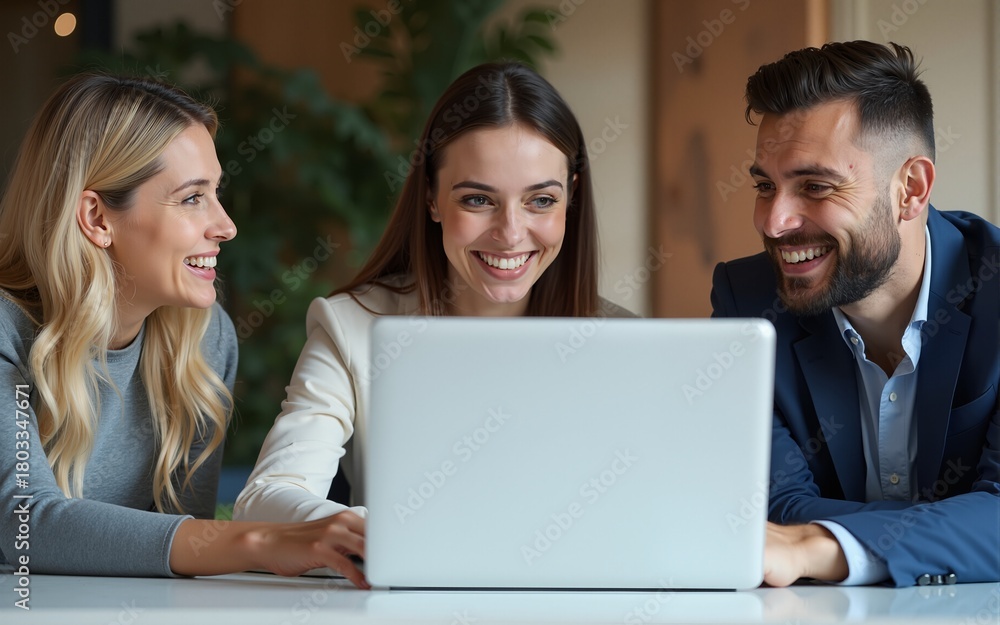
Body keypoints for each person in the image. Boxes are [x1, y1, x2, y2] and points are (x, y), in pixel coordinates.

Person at [0, 74, 367, 588]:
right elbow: (22, 523)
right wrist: (261, 541)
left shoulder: (201, 337)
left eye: (216, 192)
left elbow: (177, 558)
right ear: (96, 217)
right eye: (193, 198)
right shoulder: (7, 330)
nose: (225, 225)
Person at [235, 62, 633, 531]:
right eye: (478, 200)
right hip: (407, 604)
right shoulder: (355, 327)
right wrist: (390, 535)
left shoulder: (627, 343)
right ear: (431, 198)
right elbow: (266, 500)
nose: (510, 234)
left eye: (540, 200)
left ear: (571, 196)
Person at [711, 41, 999, 587]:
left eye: (814, 186)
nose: (773, 222)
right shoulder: (746, 299)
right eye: (765, 186)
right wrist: (965, 527)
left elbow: (791, 536)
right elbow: (776, 506)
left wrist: (819, 546)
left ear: (910, 190)